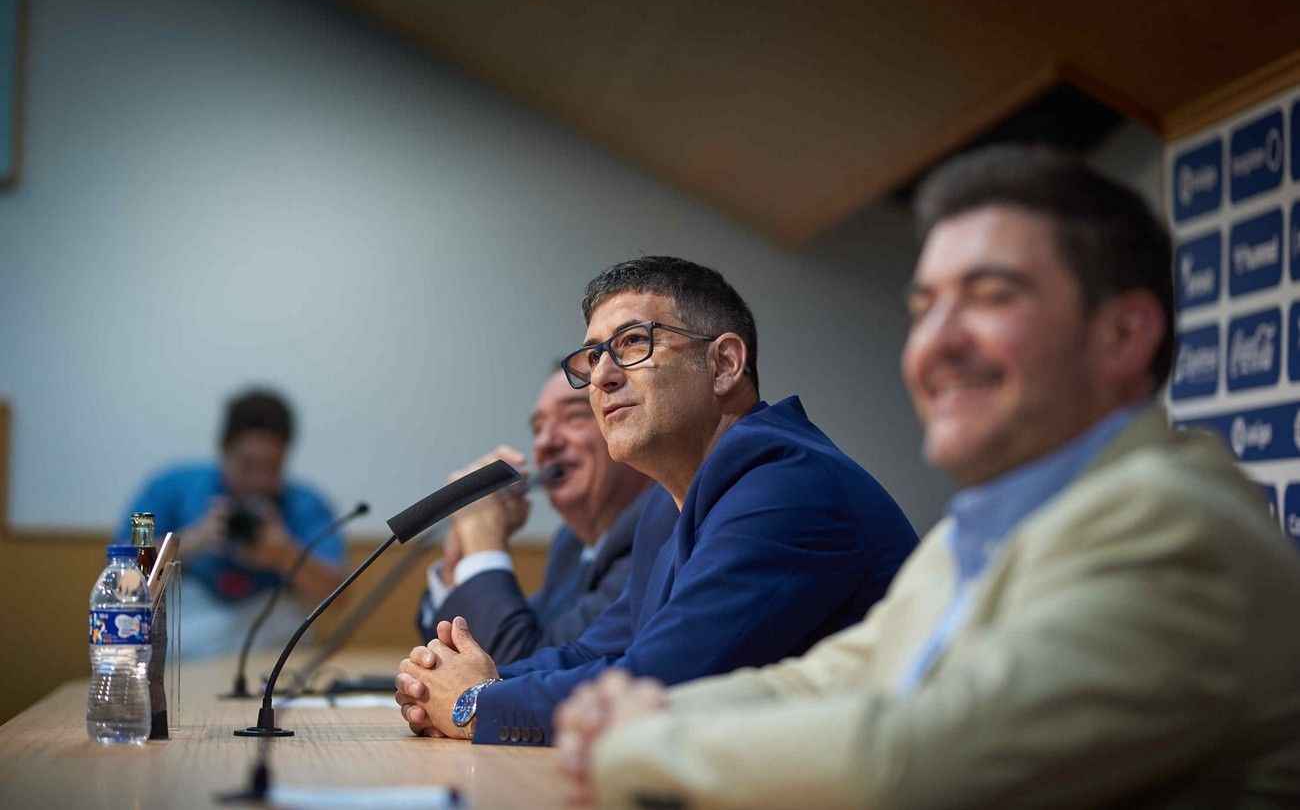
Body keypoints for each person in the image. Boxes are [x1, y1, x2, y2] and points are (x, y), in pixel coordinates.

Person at [554, 145, 1300, 808]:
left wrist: (635, 744)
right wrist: (644, 709)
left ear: (1124, 334)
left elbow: (915, 762)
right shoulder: (981, 530)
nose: (934, 343)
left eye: (990, 296)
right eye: (926, 305)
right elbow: (826, 680)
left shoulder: (1176, 525)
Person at [394, 256, 918, 746]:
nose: (601, 377)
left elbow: (661, 682)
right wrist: (445, 681)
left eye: (632, 343)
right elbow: (598, 651)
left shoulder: (787, 486)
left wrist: (476, 703)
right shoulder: (667, 505)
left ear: (725, 364)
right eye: (594, 357)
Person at [416, 368, 663, 664]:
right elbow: (511, 640)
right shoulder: (569, 543)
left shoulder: (659, 532)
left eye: (574, 416)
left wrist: (484, 550)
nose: (545, 443)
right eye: (538, 428)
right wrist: (461, 555)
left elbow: (523, 665)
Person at [120, 388, 345, 660]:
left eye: (272, 468)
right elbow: (123, 569)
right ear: (223, 451)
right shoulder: (166, 486)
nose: (259, 481)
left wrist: (284, 553)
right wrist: (192, 542)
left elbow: (339, 595)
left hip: (267, 640)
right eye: (247, 467)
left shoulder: (307, 504)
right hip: (187, 639)